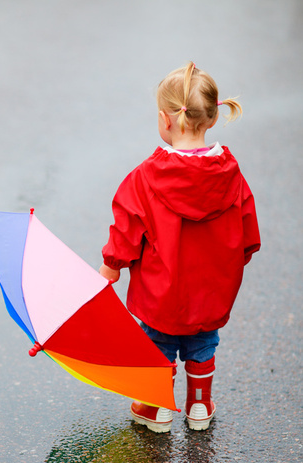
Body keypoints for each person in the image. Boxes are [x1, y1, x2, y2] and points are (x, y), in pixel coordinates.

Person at [99, 61, 260, 433]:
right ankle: (200, 405)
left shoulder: (145, 177)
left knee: (157, 343)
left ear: (164, 119)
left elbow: (126, 226)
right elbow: (249, 232)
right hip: (211, 290)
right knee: (203, 343)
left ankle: (157, 409)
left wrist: (111, 266)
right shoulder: (230, 174)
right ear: (212, 119)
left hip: (161, 291)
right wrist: (227, 263)